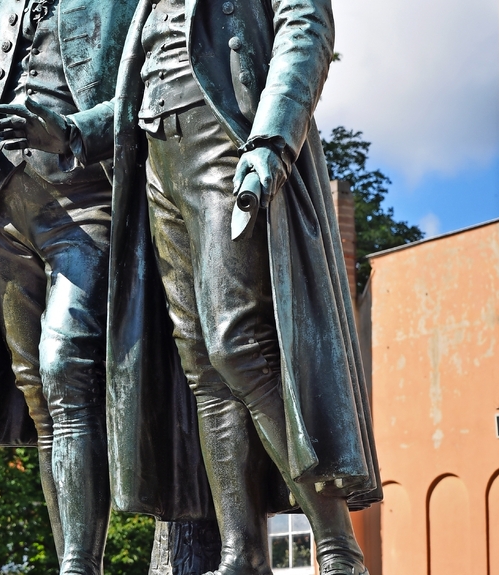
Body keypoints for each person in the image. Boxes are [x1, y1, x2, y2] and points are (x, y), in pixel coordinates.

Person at [0, 0, 216, 572]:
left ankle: (79, 565)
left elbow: (150, 97)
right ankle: (75, 558)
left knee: (65, 368)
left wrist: (69, 131)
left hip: (88, 199)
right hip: (3, 210)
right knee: (38, 392)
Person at [103, 0, 385, 573]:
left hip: (224, 136)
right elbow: (133, 82)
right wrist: (62, 131)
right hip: (157, 156)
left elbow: (304, 23)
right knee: (202, 364)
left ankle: (335, 543)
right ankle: (242, 550)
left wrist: (273, 139)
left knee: (238, 345)